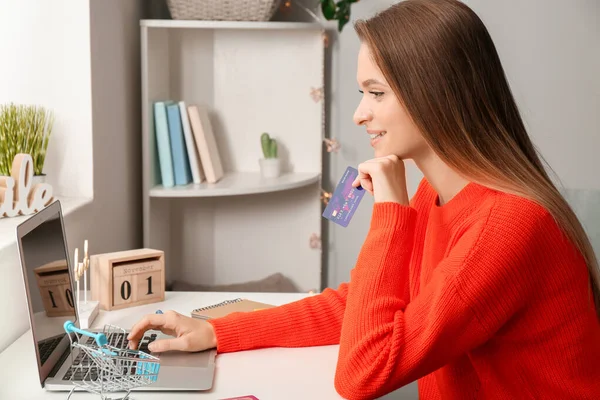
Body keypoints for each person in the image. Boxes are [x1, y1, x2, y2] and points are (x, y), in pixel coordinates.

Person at [128, 0, 600, 398]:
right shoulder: (436, 192)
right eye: (362, 92)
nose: (359, 114)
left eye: (376, 93)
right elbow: (357, 308)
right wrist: (217, 332)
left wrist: (390, 212)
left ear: (434, 95)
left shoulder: (509, 225)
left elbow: (364, 371)